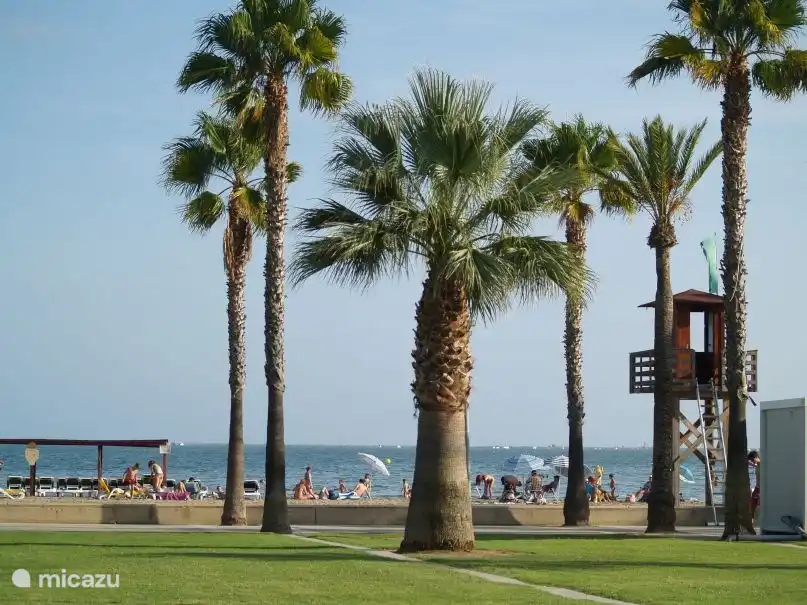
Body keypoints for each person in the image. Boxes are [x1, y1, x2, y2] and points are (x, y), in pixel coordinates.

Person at [748, 450, 761, 525]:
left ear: (756, 457)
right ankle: (751, 519)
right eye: (751, 461)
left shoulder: (762, 465)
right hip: (757, 487)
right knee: (752, 503)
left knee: (758, 503)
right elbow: (753, 464)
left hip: (762, 488)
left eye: (753, 460)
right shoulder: (757, 465)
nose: (752, 462)